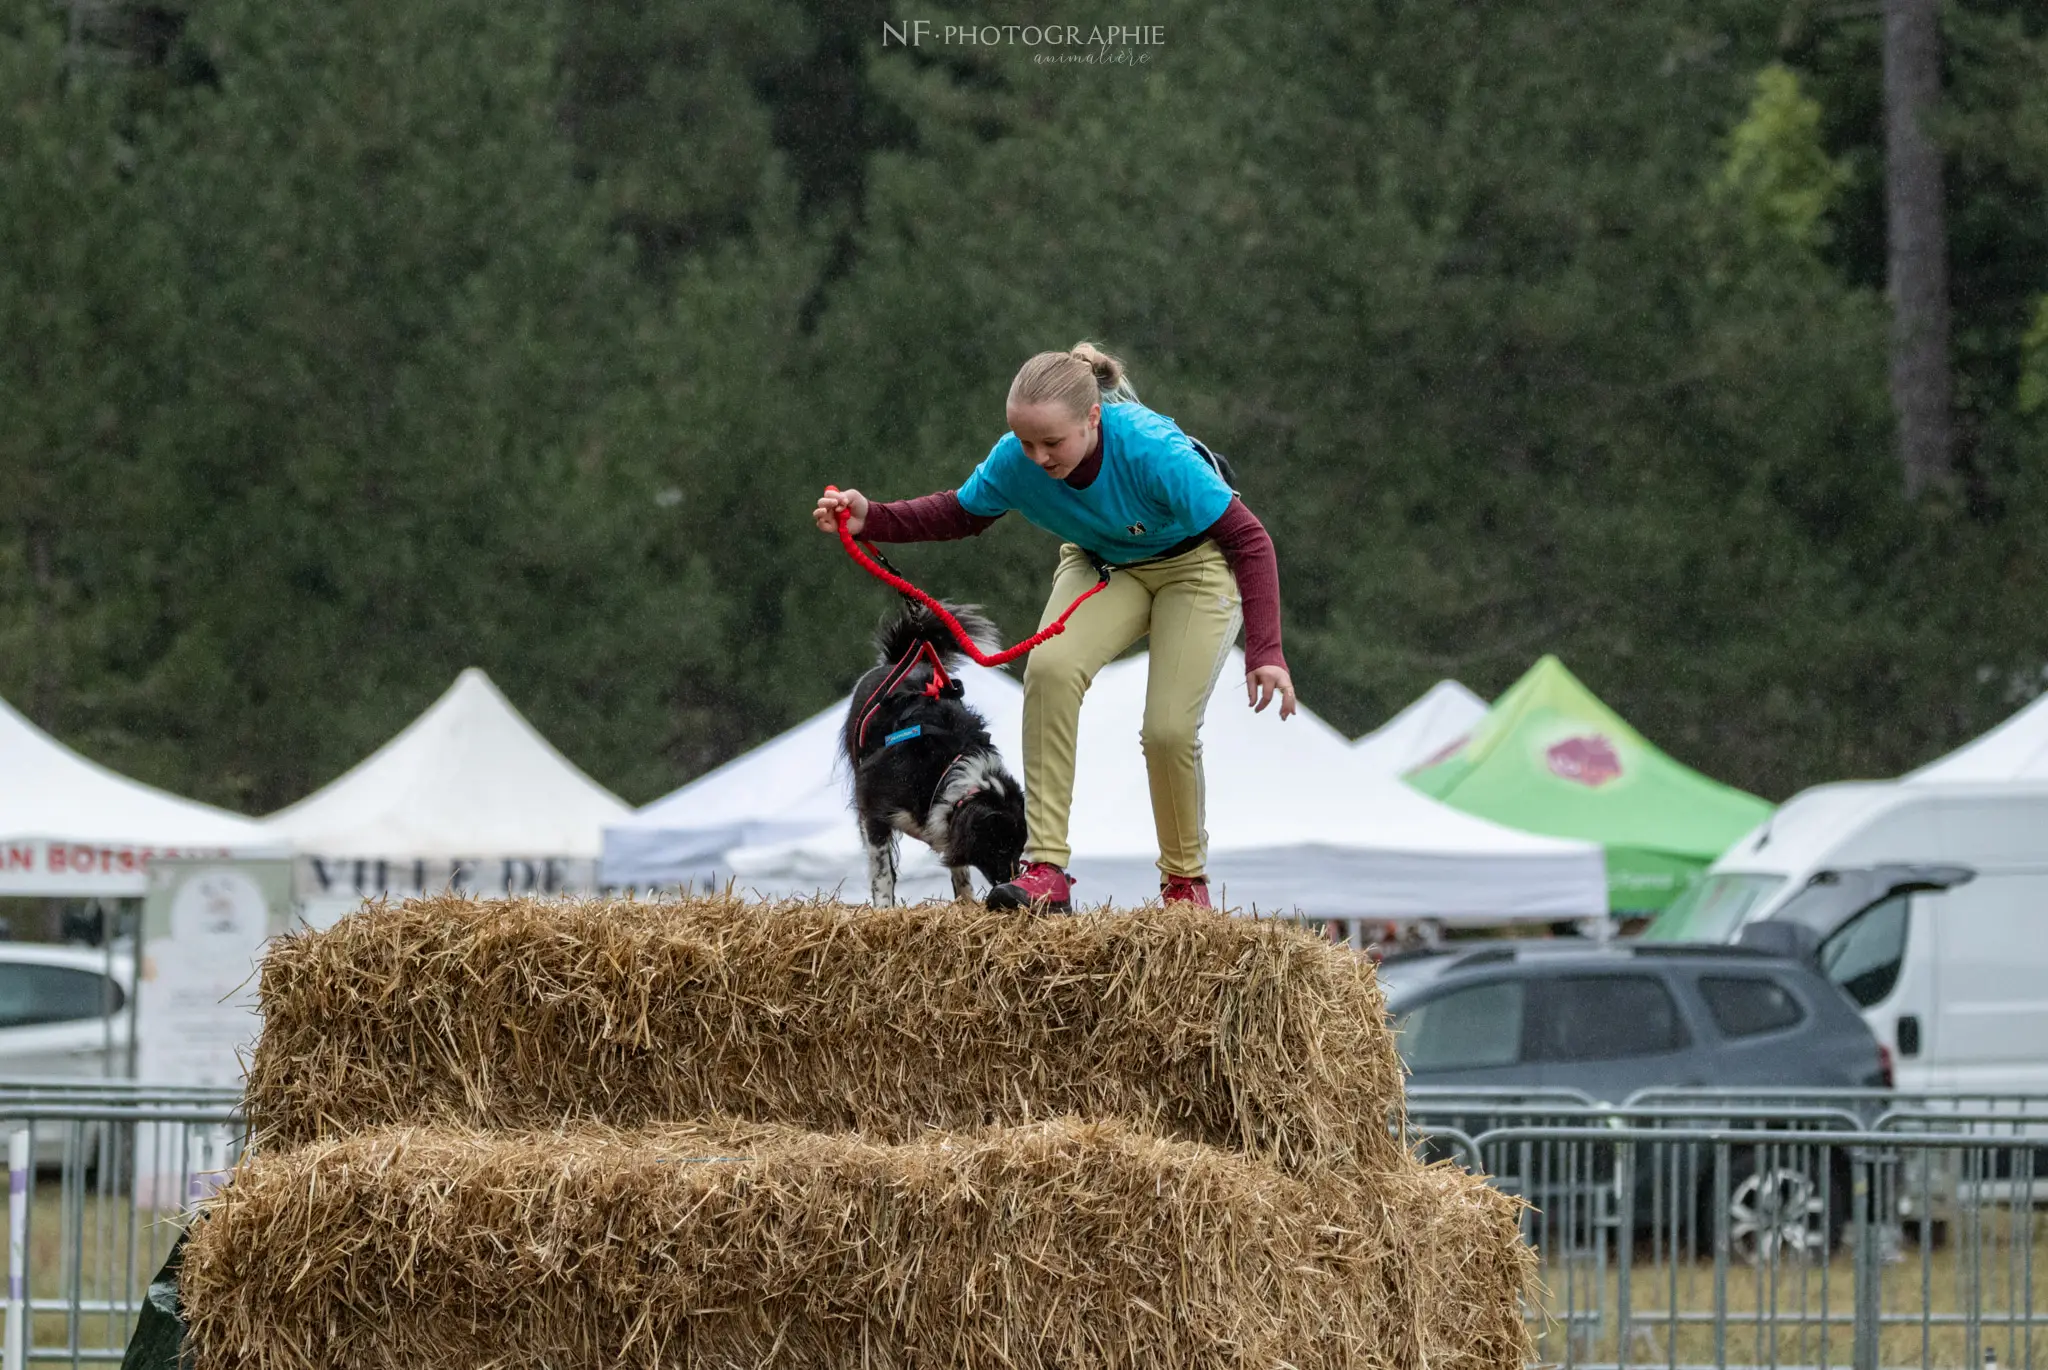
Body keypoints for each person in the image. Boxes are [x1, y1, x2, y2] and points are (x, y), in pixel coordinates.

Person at [812, 342, 1295, 912]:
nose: (1038, 458)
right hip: (1104, 563)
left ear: (1093, 418)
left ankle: (1184, 885)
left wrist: (1266, 650)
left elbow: (1249, 539)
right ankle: (1045, 868)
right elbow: (960, 512)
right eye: (1025, 442)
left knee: (1166, 729)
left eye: (1052, 443)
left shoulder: (1152, 451)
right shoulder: (1017, 459)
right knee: (1049, 670)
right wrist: (875, 517)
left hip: (1198, 565)